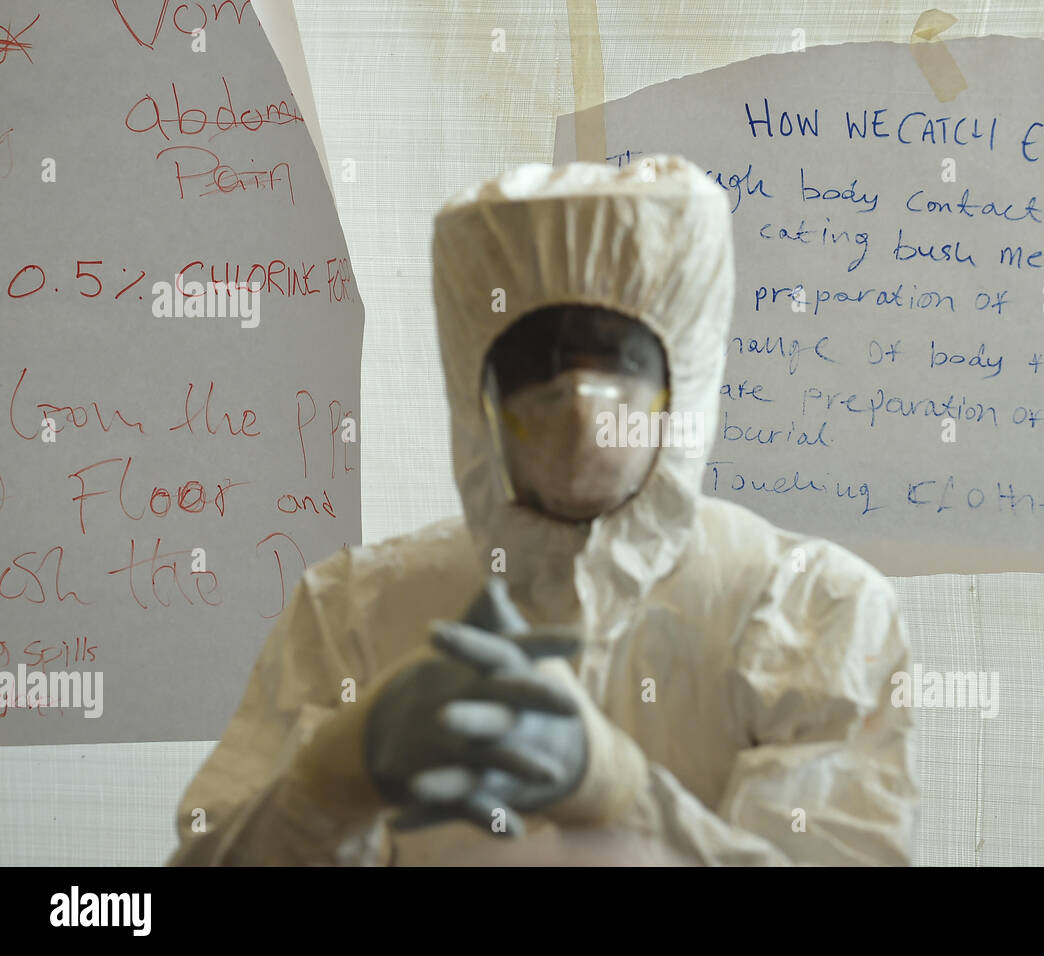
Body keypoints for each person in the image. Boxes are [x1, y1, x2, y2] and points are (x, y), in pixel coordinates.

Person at [168, 154, 916, 866]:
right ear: (474, 382)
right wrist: (332, 781)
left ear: (684, 366)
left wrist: (621, 793)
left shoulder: (813, 611)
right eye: (538, 357)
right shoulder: (355, 613)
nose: (580, 399)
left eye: (617, 354)